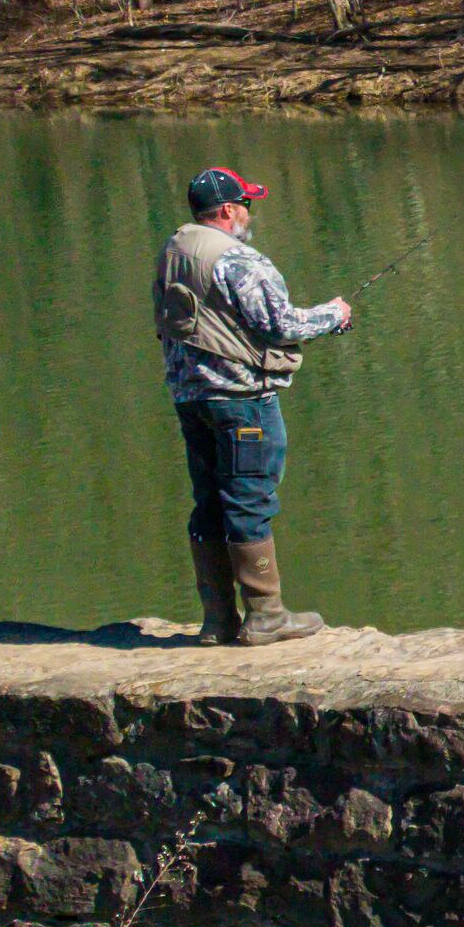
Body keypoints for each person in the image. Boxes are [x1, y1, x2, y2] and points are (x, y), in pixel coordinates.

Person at [156, 167, 354, 645]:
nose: (249, 214)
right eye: (245, 205)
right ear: (228, 210)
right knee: (248, 500)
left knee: (209, 501)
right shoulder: (238, 259)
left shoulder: (174, 250)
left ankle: (218, 620)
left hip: (191, 399)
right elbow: (280, 325)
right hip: (241, 401)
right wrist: (334, 314)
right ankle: (266, 616)